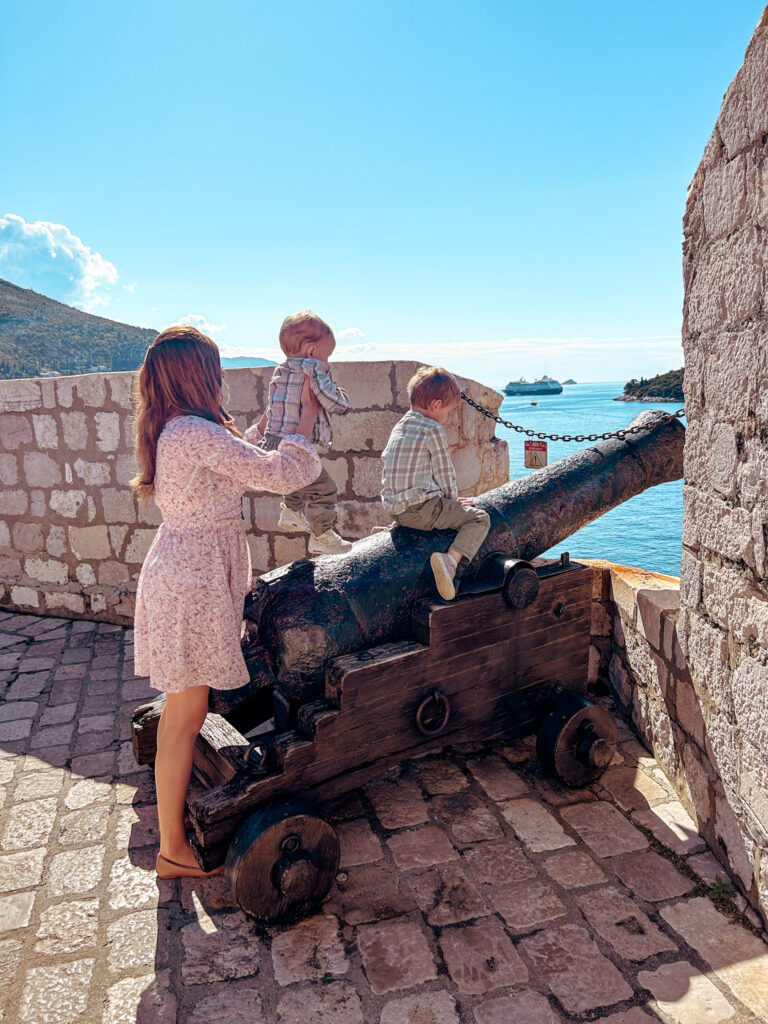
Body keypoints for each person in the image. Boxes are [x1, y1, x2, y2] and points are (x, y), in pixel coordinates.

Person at [131, 325, 322, 879]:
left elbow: (243, 452)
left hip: (186, 570)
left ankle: (173, 840)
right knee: (186, 716)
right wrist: (305, 420)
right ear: (198, 375)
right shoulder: (191, 431)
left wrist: (278, 412)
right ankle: (172, 850)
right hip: (193, 581)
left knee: (181, 714)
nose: (219, 378)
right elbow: (278, 472)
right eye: (213, 369)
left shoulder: (179, 428)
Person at [381, 366, 490, 600]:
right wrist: (451, 504)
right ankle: (450, 562)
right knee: (479, 518)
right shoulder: (432, 429)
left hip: (396, 511)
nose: (447, 417)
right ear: (436, 405)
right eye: (448, 411)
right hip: (421, 511)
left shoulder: (400, 427)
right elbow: (445, 474)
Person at [257, 311, 353, 555]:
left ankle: (290, 511)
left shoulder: (280, 371)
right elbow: (332, 400)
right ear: (312, 351)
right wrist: (341, 396)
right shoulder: (313, 369)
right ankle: (321, 534)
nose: (328, 361)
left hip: (273, 440)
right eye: (327, 354)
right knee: (325, 488)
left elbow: (272, 406)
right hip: (296, 442)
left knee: (295, 477)